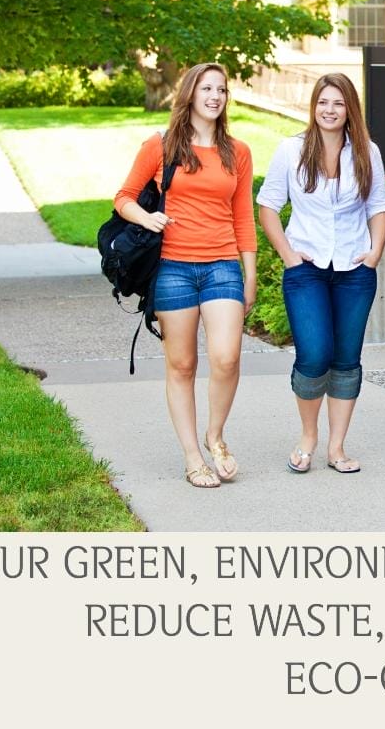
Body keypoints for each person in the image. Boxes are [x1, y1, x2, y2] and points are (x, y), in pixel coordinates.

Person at [114, 63, 257, 489]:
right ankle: (193, 456)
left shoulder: (238, 151)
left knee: (227, 357)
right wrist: (148, 216)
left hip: (221, 267)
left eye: (222, 90)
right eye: (207, 88)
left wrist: (249, 276)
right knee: (181, 364)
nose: (215, 96)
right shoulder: (160, 146)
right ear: (191, 94)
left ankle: (216, 435)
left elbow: (243, 217)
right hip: (173, 268)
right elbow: (122, 197)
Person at [257, 72, 385, 474]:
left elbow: (379, 207)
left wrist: (373, 255)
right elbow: (268, 206)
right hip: (307, 270)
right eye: (322, 102)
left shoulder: (367, 151)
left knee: (347, 359)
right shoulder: (290, 150)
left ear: (350, 108)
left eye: (337, 103)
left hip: (354, 270)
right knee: (314, 355)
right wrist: (288, 255)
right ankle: (308, 436)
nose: (329, 110)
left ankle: (337, 447)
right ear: (313, 107)